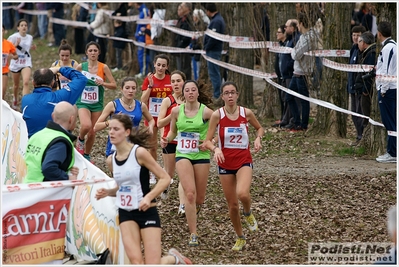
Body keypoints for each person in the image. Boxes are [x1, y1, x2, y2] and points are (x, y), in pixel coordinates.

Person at [95, 114, 192, 265]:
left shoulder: (139, 153)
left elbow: (165, 178)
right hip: (126, 212)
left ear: (127, 132)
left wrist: (149, 197)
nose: (111, 132)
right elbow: (123, 187)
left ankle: (173, 259)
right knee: (136, 262)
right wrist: (108, 192)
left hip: (146, 211)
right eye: (110, 129)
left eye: (116, 129)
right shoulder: (111, 160)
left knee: (152, 264)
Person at [203, 81, 264, 251]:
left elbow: (260, 128)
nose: (230, 96)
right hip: (225, 163)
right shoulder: (217, 115)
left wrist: (258, 138)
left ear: (237, 95)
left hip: (244, 159)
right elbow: (207, 141)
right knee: (232, 205)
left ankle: (248, 213)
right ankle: (240, 237)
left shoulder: (246, 113)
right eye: (226, 93)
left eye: (233, 93)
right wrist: (215, 149)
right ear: (222, 96)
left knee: (243, 194)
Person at [160, 80, 213, 246]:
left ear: (197, 93)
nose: (190, 93)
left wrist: (209, 141)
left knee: (200, 198)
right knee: (190, 193)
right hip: (183, 154)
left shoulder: (206, 112)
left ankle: (193, 210)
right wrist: (166, 139)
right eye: (187, 90)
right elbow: (173, 132)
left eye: (193, 90)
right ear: (184, 94)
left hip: (201, 155)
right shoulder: (176, 111)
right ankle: (193, 233)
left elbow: (218, 131)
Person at [93, 77, 154, 172]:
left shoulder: (141, 106)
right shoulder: (113, 105)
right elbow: (96, 127)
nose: (130, 91)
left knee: (131, 174)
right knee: (118, 175)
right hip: (115, 146)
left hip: (133, 144)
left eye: (133, 88)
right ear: (121, 89)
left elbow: (151, 120)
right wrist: (111, 122)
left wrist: (150, 127)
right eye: (127, 88)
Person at [75, 41, 117, 163]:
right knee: (86, 125)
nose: (93, 53)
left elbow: (114, 85)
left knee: (93, 132)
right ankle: (81, 139)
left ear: (99, 52)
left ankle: (86, 155)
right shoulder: (80, 67)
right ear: (86, 53)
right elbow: (73, 81)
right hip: (83, 102)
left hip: (97, 103)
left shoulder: (103, 67)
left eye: (95, 50)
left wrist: (103, 83)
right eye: (90, 50)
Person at [21, 66, 87, 138]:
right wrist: (59, 69)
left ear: (33, 83)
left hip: (32, 143)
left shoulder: (25, 100)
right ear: (52, 83)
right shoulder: (60, 97)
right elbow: (81, 79)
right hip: (55, 143)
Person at [23, 101, 79, 183]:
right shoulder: (60, 142)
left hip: (27, 186)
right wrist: (68, 178)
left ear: (53, 116)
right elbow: (49, 168)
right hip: (44, 191)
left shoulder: (37, 135)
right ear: (71, 119)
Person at [157, 70, 186, 210]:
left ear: (184, 82)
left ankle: (182, 205)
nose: (175, 84)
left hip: (185, 141)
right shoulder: (168, 101)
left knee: (183, 173)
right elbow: (159, 123)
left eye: (178, 81)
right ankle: (165, 185)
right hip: (169, 140)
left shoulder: (190, 99)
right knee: (169, 173)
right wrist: (173, 114)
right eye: (173, 81)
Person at [285, 12, 319, 132]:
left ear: (301, 24)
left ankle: (303, 125)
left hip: (303, 74)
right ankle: (297, 121)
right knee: (289, 97)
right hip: (297, 73)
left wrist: (294, 52)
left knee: (304, 100)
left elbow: (296, 54)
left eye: (298, 23)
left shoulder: (309, 37)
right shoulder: (304, 36)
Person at [141, 54, 173, 171]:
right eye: (158, 65)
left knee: (165, 143)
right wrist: (150, 86)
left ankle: (166, 170)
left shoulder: (171, 80)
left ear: (167, 67)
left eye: (163, 65)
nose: (160, 68)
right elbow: (143, 101)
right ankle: (152, 170)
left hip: (166, 117)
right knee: (152, 146)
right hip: (151, 117)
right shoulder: (149, 79)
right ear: (154, 64)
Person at [375, 21, 396, 163]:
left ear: (379, 34)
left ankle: (393, 152)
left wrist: (383, 89)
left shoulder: (388, 48)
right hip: (391, 88)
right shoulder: (393, 46)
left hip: (388, 90)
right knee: (392, 120)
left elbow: (387, 70)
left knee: (389, 121)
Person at [353, 31, 376, 145]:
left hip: (366, 91)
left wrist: (365, 90)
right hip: (361, 88)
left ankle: (365, 139)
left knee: (365, 115)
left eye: (359, 41)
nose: (357, 44)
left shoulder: (371, 54)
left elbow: (370, 73)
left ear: (364, 42)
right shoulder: (365, 53)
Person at [7, 18, 36, 109]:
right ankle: (15, 98)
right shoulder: (13, 37)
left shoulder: (30, 37)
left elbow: (28, 47)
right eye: (22, 25)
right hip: (15, 63)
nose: (24, 27)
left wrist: (32, 47)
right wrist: (15, 45)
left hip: (26, 62)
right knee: (16, 85)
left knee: (26, 82)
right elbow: (7, 50)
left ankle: (25, 103)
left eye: (25, 25)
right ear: (18, 28)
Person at [347, 25, 367, 146]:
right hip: (352, 87)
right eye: (353, 35)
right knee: (354, 113)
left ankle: (362, 137)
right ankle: (358, 135)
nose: (355, 38)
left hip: (360, 88)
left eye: (358, 35)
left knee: (361, 114)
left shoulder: (364, 52)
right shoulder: (353, 49)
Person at [279, 19, 300, 129]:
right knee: (286, 98)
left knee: (292, 98)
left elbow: (294, 56)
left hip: (291, 73)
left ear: (293, 27)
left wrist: (288, 67)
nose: (285, 29)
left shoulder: (296, 39)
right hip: (286, 74)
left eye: (287, 26)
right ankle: (286, 119)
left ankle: (293, 121)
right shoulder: (289, 40)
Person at [203, 3, 225, 104]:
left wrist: (207, 47)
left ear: (208, 11)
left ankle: (217, 95)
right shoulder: (216, 20)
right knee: (214, 73)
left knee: (214, 73)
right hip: (213, 50)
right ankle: (217, 94)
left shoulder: (216, 21)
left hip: (213, 50)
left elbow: (213, 38)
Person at [272, 25, 288, 128]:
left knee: (286, 99)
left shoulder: (287, 45)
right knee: (281, 98)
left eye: (279, 32)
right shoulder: (280, 45)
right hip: (280, 76)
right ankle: (283, 118)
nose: (277, 34)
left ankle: (286, 119)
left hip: (286, 76)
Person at [175, 2, 193, 80]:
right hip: (179, 47)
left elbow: (188, 33)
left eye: (182, 7)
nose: (180, 9)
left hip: (186, 47)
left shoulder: (189, 20)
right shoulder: (180, 19)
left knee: (186, 68)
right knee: (180, 67)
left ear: (187, 9)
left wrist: (182, 43)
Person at [191, 8, 209, 81]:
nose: (193, 18)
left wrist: (193, 44)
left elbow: (199, 42)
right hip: (197, 53)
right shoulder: (196, 26)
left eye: (194, 16)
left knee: (199, 72)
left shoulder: (202, 27)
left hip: (200, 54)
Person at [2, 25, 18, 100]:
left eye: (2, 30)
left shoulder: (8, 44)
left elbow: (16, 56)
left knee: (2, 92)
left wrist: (11, 57)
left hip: (4, 71)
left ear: (4, 31)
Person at [134, 3, 150, 78]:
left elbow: (145, 24)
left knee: (142, 56)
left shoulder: (144, 11)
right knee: (140, 55)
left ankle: (143, 72)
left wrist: (140, 33)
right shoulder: (141, 11)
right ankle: (142, 71)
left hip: (143, 38)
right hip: (139, 38)